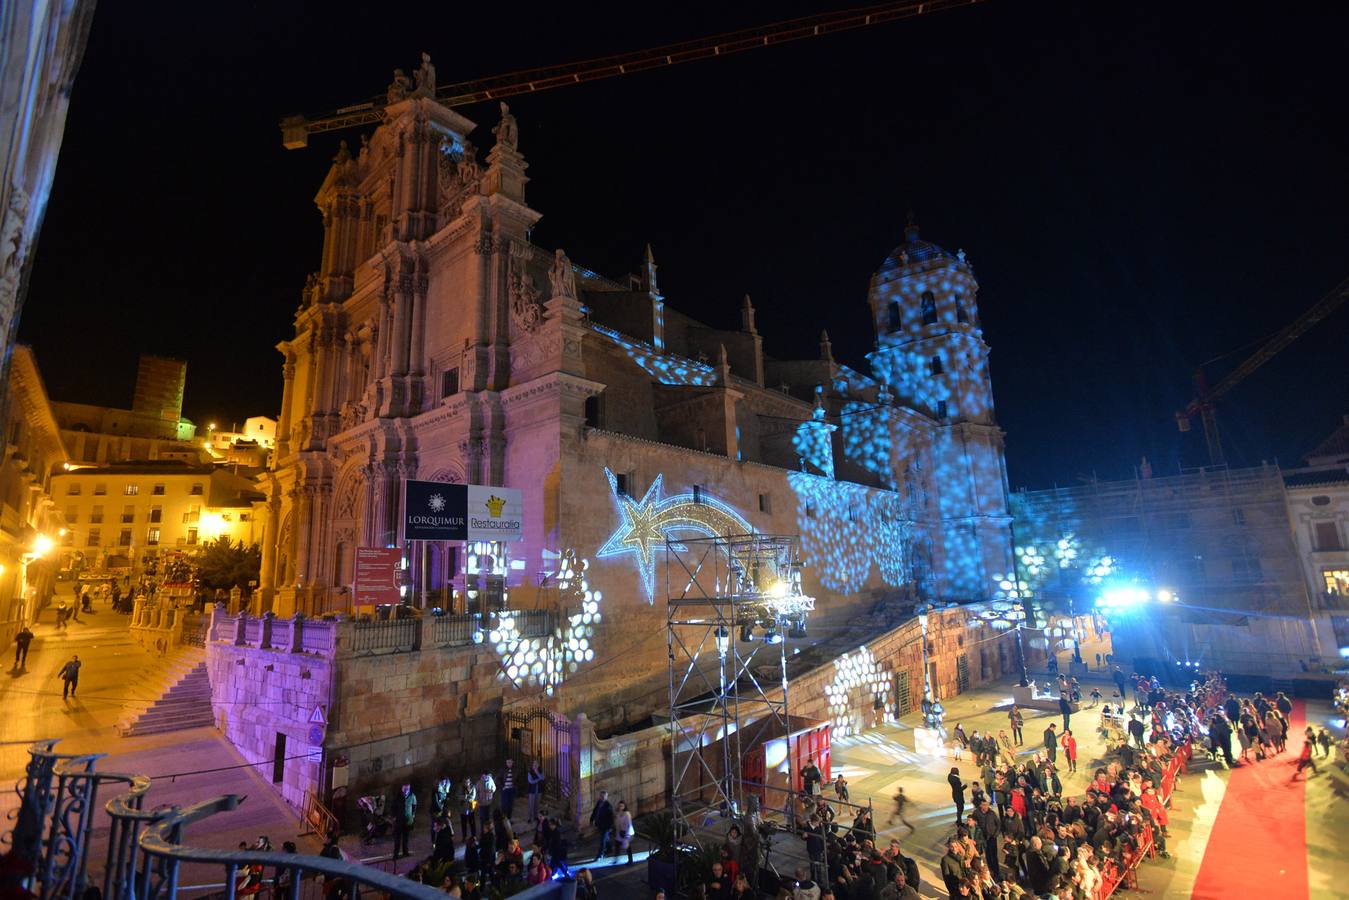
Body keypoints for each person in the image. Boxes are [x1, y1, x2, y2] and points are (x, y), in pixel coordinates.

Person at [589, 789, 615, 861]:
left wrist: (610, 827)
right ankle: (609, 849)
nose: (602, 797)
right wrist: (591, 820)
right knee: (606, 838)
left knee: (602, 841)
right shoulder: (599, 803)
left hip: (605, 826)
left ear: (606, 797)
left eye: (604, 796)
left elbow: (611, 818)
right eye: (601, 796)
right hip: (599, 824)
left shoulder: (608, 806)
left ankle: (600, 855)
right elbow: (595, 811)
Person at [392, 783, 415, 858]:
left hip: (407, 820)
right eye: (404, 789)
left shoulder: (412, 796)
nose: (406, 790)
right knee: (397, 838)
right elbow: (393, 807)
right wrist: (394, 816)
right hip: (399, 820)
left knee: (406, 837)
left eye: (407, 789)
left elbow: (414, 806)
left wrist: (413, 815)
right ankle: (396, 854)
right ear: (402, 788)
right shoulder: (397, 796)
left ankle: (405, 852)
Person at [613, 800, 634, 864]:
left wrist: (627, 834)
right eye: (619, 806)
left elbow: (629, 825)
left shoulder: (627, 814)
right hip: (620, 832)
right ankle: (616, 859)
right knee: (617, 845)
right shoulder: (618, 813)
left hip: (627, 832)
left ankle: (630, 860)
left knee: (627, 847)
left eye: (622, 806)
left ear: (624, 806)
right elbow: (617, 823)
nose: (620, 807)